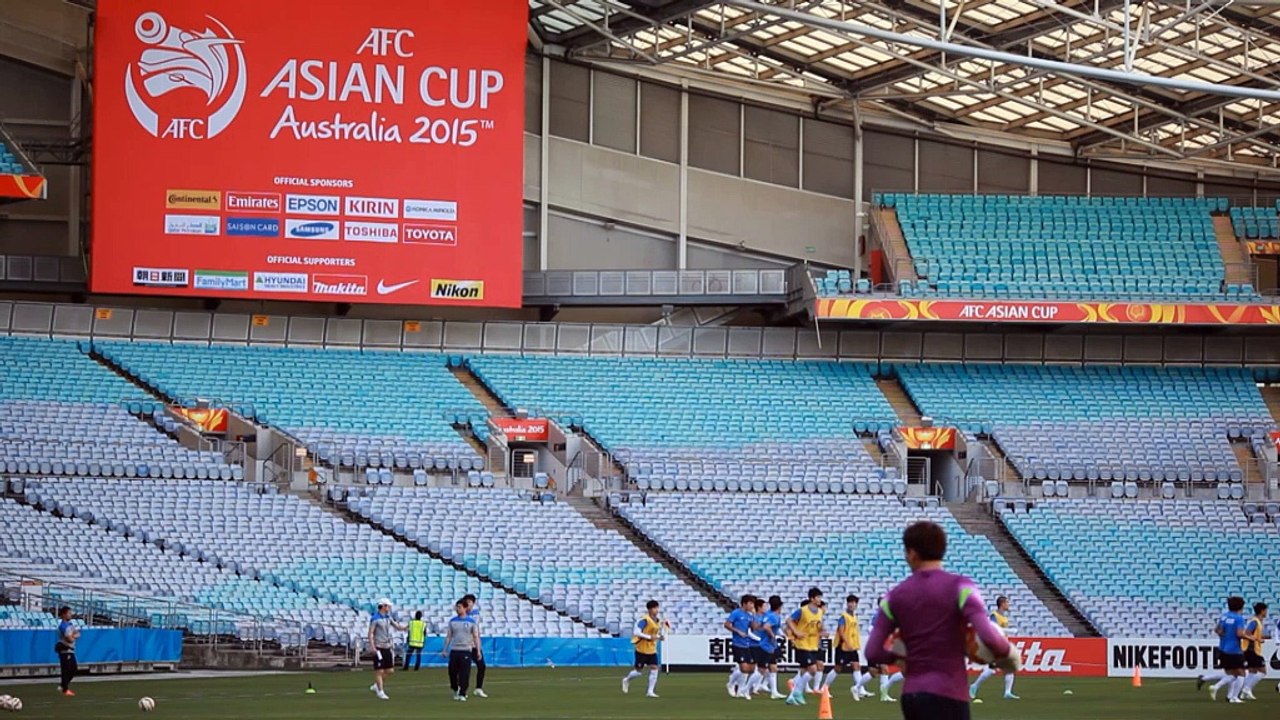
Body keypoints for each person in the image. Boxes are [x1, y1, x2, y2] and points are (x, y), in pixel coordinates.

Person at [866, 521, 1015, 720]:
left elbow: (872, 652)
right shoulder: (962, 587)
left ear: (911, 553)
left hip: (913, 695)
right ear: (943, 550)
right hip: (950, 692)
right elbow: (990, 637)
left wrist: (900, 656)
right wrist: (1008, 656)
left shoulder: (893, 597)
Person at [969, 595, 1019, 701]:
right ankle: (974, 686)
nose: (1008, 605)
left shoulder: (1004, 617)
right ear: (1002, 604)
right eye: (1007, 602)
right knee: (992, 670)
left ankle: (1007, 692)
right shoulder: (994, 615)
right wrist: (1010, 631)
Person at [1200, 596, 1249, 703]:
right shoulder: (1239, 618)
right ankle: (1233, 697)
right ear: (1241, 606)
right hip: (1234, 650)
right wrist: (1252, 638)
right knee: (1242, 674)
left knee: (1231, 674)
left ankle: (1221, 690)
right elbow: (1239, 634)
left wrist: (1225, 636)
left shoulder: (1224, 616)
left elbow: (1217, 630)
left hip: (1223, 649)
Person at [785, 587, 826, 706]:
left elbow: (818, 625)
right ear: (811, 598)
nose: (819, 600)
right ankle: (798, 692)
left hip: (813, 644)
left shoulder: (819, 612)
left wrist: (822, 631)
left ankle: (791, 697)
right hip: (802, 644)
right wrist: (796, 632)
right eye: (818, 597)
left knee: (803, 671)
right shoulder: (802, 610)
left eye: (820, 597)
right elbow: (789, 620)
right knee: (813, 669)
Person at [826, 594, 871, 701]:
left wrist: (854, 644)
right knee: (838, 668)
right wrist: (847, 643)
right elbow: (841, 631)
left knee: (856, 666)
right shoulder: (843, 617)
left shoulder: (854, 616)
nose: (852, 604)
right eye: (850, 602)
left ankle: (860, 689)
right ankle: (825, 687)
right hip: (843, 646)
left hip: (852, 647)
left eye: (854, 603)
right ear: (847, 604)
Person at [622, 600, 664, 698]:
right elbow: (637, 632)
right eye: (654, 608)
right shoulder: (644, 620)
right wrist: (649, 637)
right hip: (642, 649)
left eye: (657, 608)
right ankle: (627, 679)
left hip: (652, 649)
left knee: (654, 668)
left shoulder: (657, 621)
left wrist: (659, 637)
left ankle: (650, 691)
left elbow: (654, 634)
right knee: (638, 671)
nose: (656, 610)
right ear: (649, 609)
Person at [442, 600, 481, 702]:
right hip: (454, 650)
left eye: (459, 607)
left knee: (465, 673)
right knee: (452, 672)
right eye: (456, 607)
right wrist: (445, 649)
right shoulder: (452, 621)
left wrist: (478, 650)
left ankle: (463, 693)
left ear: (464, 608)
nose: (457, 609)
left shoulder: (471, 622)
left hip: (466, 650)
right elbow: (449, 636)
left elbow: (476, 637)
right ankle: (455, 688)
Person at [367, 599, 406, 701]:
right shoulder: (375, 619)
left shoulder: (388, 617)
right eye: (388, 606)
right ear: (383, 606)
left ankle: (377, 685)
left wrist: (405, 627)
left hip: (387, 646)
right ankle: (380, 691)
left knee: (390, 670)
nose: (389, 608)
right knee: (379, 671)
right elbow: (371, 633)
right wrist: (372, 646)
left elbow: (397, 626)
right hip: (379, 647)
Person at [724, 594, 757, 700]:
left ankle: (741, 690)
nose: (752, 605)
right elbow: (727, 624)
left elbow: (754, 627)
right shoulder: (736, 613)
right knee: (743, 667)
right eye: (750, 603)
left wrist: (754, 616)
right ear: (744, 603)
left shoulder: (749, 615)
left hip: (747, 644)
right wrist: (738, 631)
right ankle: (731, 683)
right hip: (738, 644)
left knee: (750, 668)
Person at [757, 595, 787, 700]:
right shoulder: (774, 616)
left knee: (773, 668)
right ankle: (747, 688)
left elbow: (771, 627)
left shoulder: (768, 614)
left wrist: (781, 634)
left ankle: (774, 692)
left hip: (770, 645)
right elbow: (766, 627)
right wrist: (772, 635)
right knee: (761, 669)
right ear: (780, 605)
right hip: (766, 645)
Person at [462, 594, 489, 697]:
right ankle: (462, 689)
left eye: (470, 602)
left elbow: (475, 628)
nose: (468, 604)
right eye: (467, 602)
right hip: (464, 644)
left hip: (474, 644)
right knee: (465, 668)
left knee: (481, 666)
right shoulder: (462, 615)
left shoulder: (475, 614)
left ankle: (478, 688)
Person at [1241, 602, 1268, 700]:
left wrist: (1263, 637)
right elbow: (1247, 633)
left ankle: (1244, 692)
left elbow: (1254, 634)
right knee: (1263, 671)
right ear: (1262, 611)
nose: (1266, 612)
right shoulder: (1255, 621)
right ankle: (1247, 689)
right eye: (1265, 610)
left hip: (1252, 649)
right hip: (1251, 649)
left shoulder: (1258, 621)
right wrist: (1258, 639)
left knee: (1253, 671)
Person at [55, 606, 79, 697]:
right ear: (64, 614)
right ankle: (65, 689)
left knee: (73, 669)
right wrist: (74, 636)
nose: (71, 615)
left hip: (70, 650)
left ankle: (63, 686)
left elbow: (77, 633)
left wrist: (74, 635)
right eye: (69, 613)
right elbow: (70, 639)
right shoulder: (63, 626)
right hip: (65, 650)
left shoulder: (70, 624)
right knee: (66, 670)